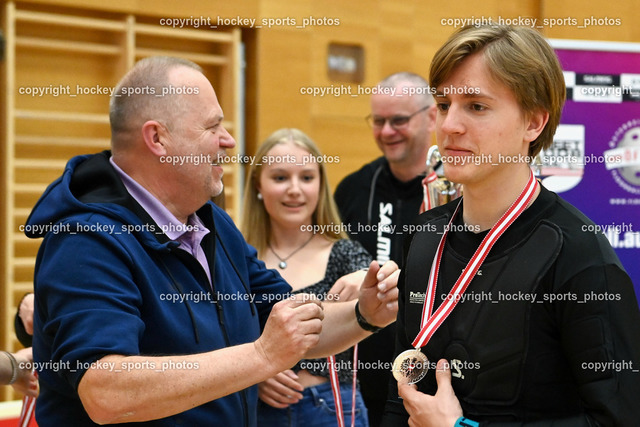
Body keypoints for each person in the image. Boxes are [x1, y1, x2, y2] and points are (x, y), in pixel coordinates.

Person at [25, 56, 399, 426]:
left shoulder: (212, 222)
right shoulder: (87, 240)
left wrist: (362, 313)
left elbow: (289, 327)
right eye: (212, 126)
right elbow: (107, 392)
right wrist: (261, 357)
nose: (229, 140)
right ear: (158, 138)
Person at [382, 24, 640, 426]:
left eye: (476, 106)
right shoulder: (424, 237)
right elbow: (404, 393)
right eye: (445, 104)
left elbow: (618, 419)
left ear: (534, 122)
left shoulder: (579, 255)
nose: (449, 125)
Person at [242, 128, 372, 426]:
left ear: (320, 186)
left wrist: (368, 278)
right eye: (280, 177)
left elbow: (388, 292)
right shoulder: (236, 256)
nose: (295, 189)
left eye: (307, 177)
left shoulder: (344, 253)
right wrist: (254, 375)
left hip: (331, 409)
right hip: (257, 412)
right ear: (258, 185)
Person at [334, 72, 436, 426]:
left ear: (432, 116)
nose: (387, 131)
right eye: (378, 121)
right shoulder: (352, 190)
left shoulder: (459, 192)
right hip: (362, 380)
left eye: (399, 120)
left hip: (436, 377)